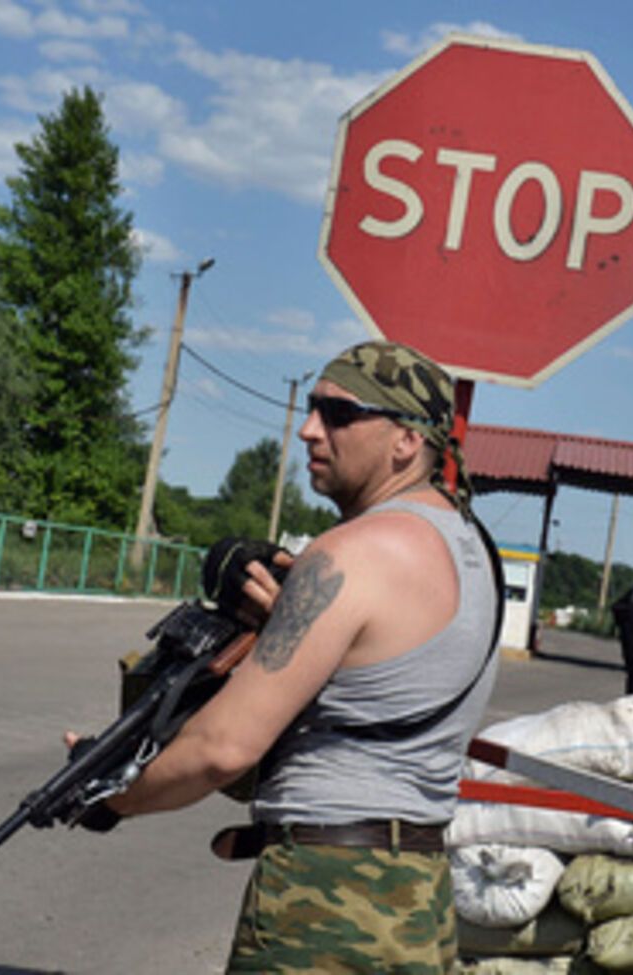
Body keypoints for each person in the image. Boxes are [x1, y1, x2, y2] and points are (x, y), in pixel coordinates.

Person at [85, 341, 500, 973]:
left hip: (325, 902)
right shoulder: (477, 552)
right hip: (419, 898)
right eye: (311, 409)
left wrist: (111, 795)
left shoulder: (350, 554)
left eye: (338, 414)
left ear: (406, 441)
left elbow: (223, 748)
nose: (309, 430)